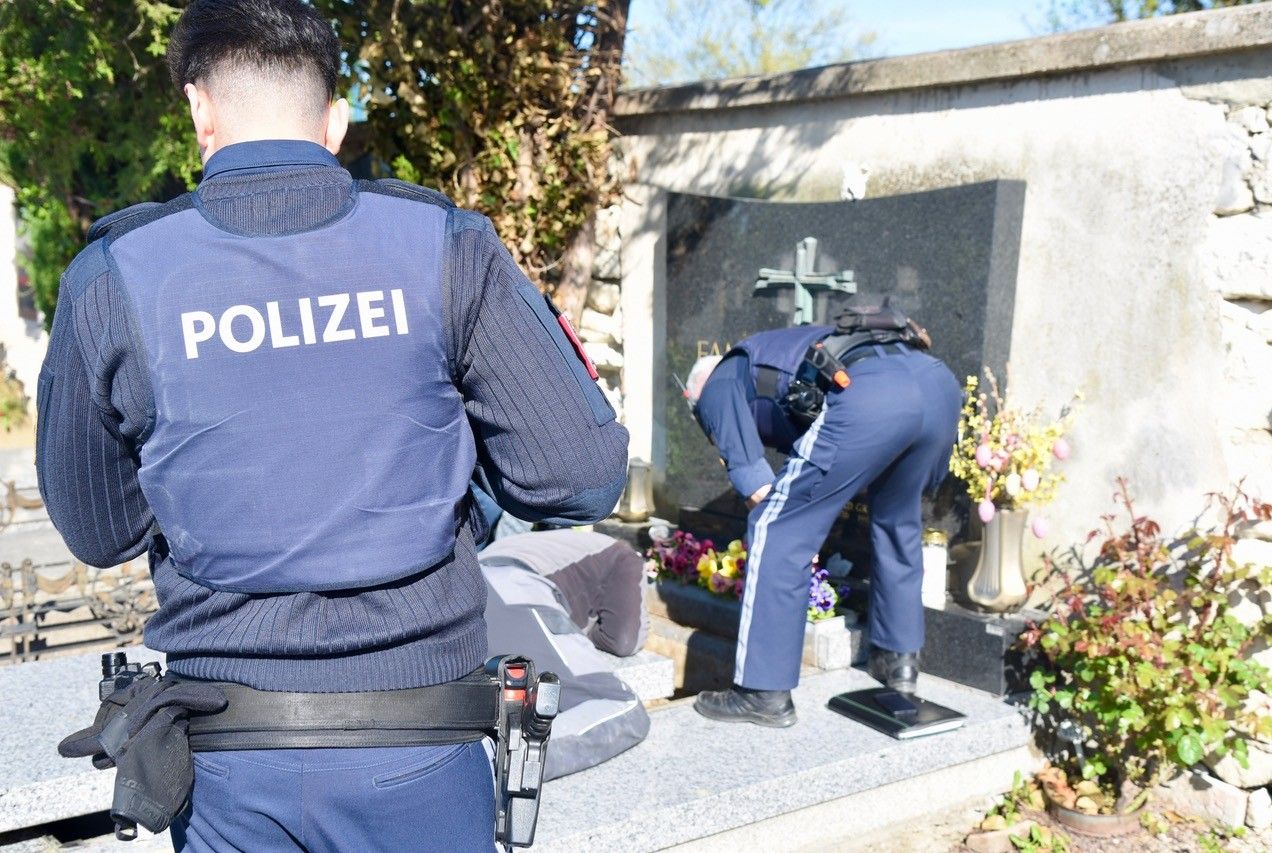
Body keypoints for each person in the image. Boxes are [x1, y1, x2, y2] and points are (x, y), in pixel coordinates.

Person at [36, 1, 628, 849]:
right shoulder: (442, 243)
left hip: (227, 760)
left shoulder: (115, 275)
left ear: (200, 110)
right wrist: (462, 498)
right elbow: (581, 475)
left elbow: (98, 530)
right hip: (420, 743)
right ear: (336, 121)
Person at [686, 307, 961, 727]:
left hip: (872, 394)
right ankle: (897, 665)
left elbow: (761, 494)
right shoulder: (771, 357)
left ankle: (763, 691)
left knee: (775, 528)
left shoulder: (721, 381)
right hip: (937, 387)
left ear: (694, 395)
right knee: (896, 519)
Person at [478, 530, 651, 778]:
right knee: (620, 708)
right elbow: (624, 640)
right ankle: (501, 764)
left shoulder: (564, 545)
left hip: (475, 584)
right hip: (514, 587)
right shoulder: (626, 555)